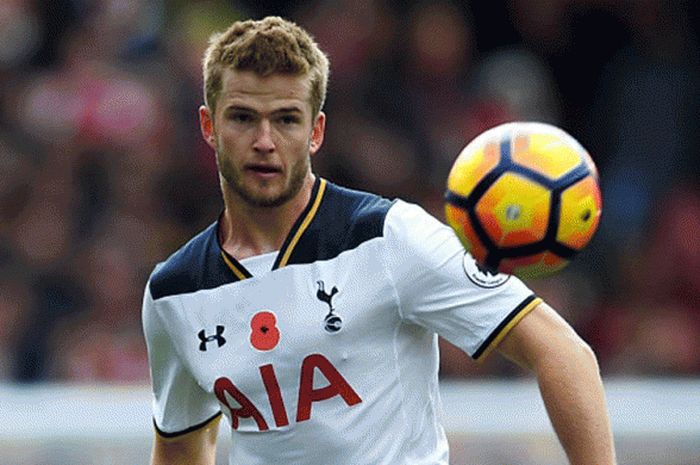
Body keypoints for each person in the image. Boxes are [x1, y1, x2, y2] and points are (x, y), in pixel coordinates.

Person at [142, 16, 616, 465]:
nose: (264, 140)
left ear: (316, 132)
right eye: (243, 118)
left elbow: (562, 352)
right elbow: (181, 451)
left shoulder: (389, 237)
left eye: (286, 120)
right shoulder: (174, 293)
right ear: (209, 126)